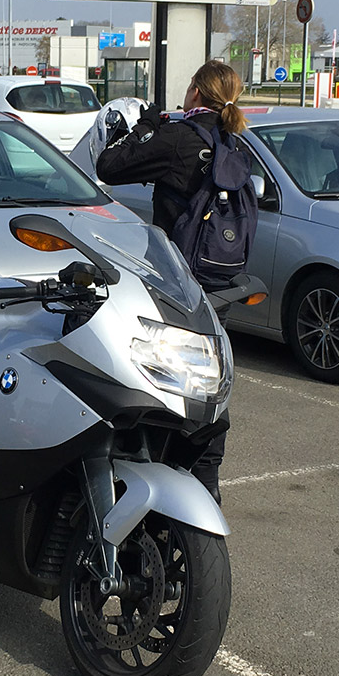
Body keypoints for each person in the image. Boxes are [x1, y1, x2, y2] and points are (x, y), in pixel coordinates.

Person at [96, 60, 250, 505]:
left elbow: (110, 166)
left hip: (179, 274)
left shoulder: (180, 136)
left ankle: (161, 480)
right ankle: (207, 481)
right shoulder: (231, 138)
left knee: (164, 371)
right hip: (223, 271)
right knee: (210, 368)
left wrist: (144, 127)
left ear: (197, 93)